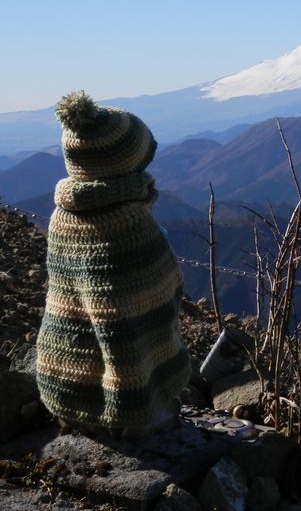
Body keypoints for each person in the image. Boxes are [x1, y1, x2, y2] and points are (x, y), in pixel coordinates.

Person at [36, 91, 191, 439]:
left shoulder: (64, 216)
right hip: (127, 395)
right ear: (123, 164)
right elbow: (167, 287)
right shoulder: (129, 224)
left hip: (62, 378)